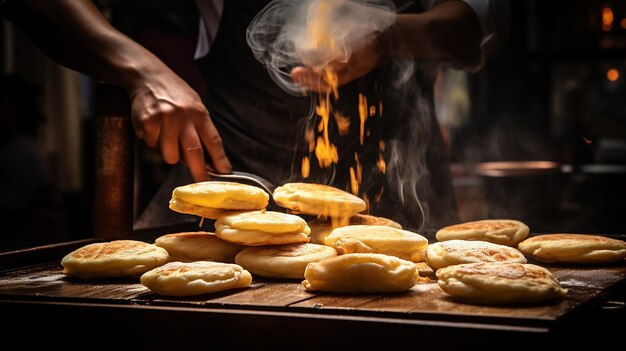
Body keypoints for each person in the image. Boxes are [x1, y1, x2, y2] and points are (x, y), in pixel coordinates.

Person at [0, 0, 510, 237]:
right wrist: (142, 71)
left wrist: (391, 35)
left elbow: (475, 24)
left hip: (403, 203)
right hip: (228, 195)